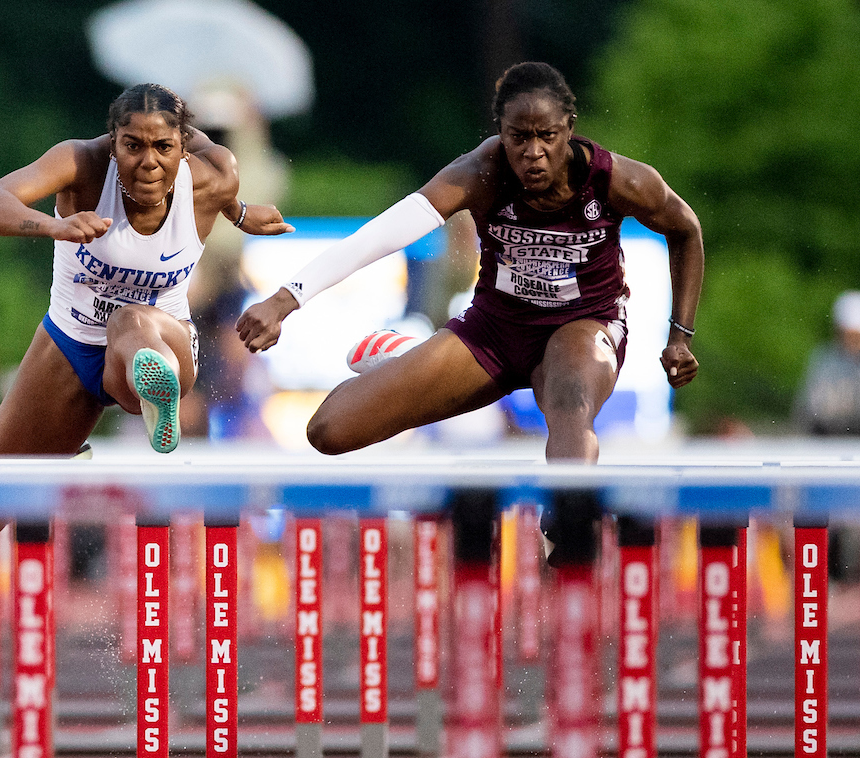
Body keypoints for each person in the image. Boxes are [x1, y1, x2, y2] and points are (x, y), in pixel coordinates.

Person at [237, 62, 703, 465]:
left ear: (570, 128)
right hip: (496, 330)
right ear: (500, 132)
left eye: (548, 137)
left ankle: (567, 532)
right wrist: (285, 299)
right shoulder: (479, 173)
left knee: (569, 403)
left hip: (584, 325)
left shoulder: (620, 180)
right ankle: (407, 354)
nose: (533, 152)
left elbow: (686, 230)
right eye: (519, 137)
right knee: (328, 432)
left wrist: (679, 337)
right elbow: (376, 237)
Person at [0, 84, 290, 542]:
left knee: (130, 320)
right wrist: (55, 225)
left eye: (163, 148)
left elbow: (224, 195)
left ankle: (158, 388)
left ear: (182, 148)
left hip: (163, 338)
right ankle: (71, 451)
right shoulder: (81, 163)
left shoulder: (214, 174)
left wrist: (239, 211)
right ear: (112, 143)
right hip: (70, 344)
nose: (148, 163)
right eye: (132, 147)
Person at [794, 289, 860, 438]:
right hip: (827, 445)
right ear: (839, 334)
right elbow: (807, 415)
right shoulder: (824, 362)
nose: (856, 344)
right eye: (851, 336)